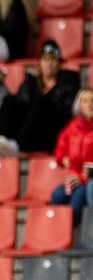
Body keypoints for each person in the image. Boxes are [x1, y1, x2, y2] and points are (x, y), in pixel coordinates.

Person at [0, 40, 80, 156]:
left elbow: (64, 109)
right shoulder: (31, 82)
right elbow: (20, 103)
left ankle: (16, 146)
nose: (49, 63)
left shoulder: (68, 81)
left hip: (49, 133)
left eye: (53, 60)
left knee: (39, 103)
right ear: (39, 63)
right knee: (9, 100)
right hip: (28, 129)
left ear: (59, 63)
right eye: (45, 59)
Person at [52, 89, 93, 225]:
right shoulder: (72, 127)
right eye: (85, 101)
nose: (89, 105)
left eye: (92, 101)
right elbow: (60, 151)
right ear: (79, 105)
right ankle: (57, 234)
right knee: (56, 195)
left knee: (78, 197)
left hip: (88, 181)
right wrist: (62, 158)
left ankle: (68, 235)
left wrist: (81, 178)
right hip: (73, 179)